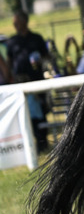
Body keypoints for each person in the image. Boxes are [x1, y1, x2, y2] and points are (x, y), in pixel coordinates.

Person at [6, 10, 52, 150]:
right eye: (14, 23)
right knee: (26, 112)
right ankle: (30, 141)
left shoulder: (37, 38)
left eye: (18, 23)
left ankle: (42, 141)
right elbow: (9, 62)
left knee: (41, 111)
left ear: (25, 22)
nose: (16, 26)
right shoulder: (12, 41)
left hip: (37, 80)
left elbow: (47, 57)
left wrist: (40, 60)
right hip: (20, 82)